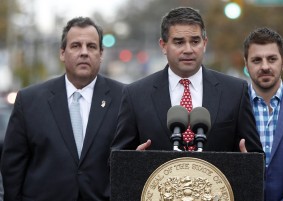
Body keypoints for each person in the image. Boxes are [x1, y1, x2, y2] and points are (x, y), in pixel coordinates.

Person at [1, 17, 124, 201]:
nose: (84, 52)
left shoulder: (124, 98)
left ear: (101, 53)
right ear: (62, 53)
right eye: (76, 46)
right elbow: (13, 167)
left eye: (91, 46)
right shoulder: (29, 101)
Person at [111, 7, 262, 153]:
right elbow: (116, 160)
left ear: (205, 43)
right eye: (179, 42)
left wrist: (247, 165)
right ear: (163, 46)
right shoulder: (135, 95)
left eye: (195, 41)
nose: (188, 49)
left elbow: (256, 158)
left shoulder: (235, 91)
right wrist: (132, 163)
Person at [244, 27, 283, 201]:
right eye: (256, 60)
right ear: (246, 63)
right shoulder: (232, 107)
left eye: (272, 59)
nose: (265, 66)